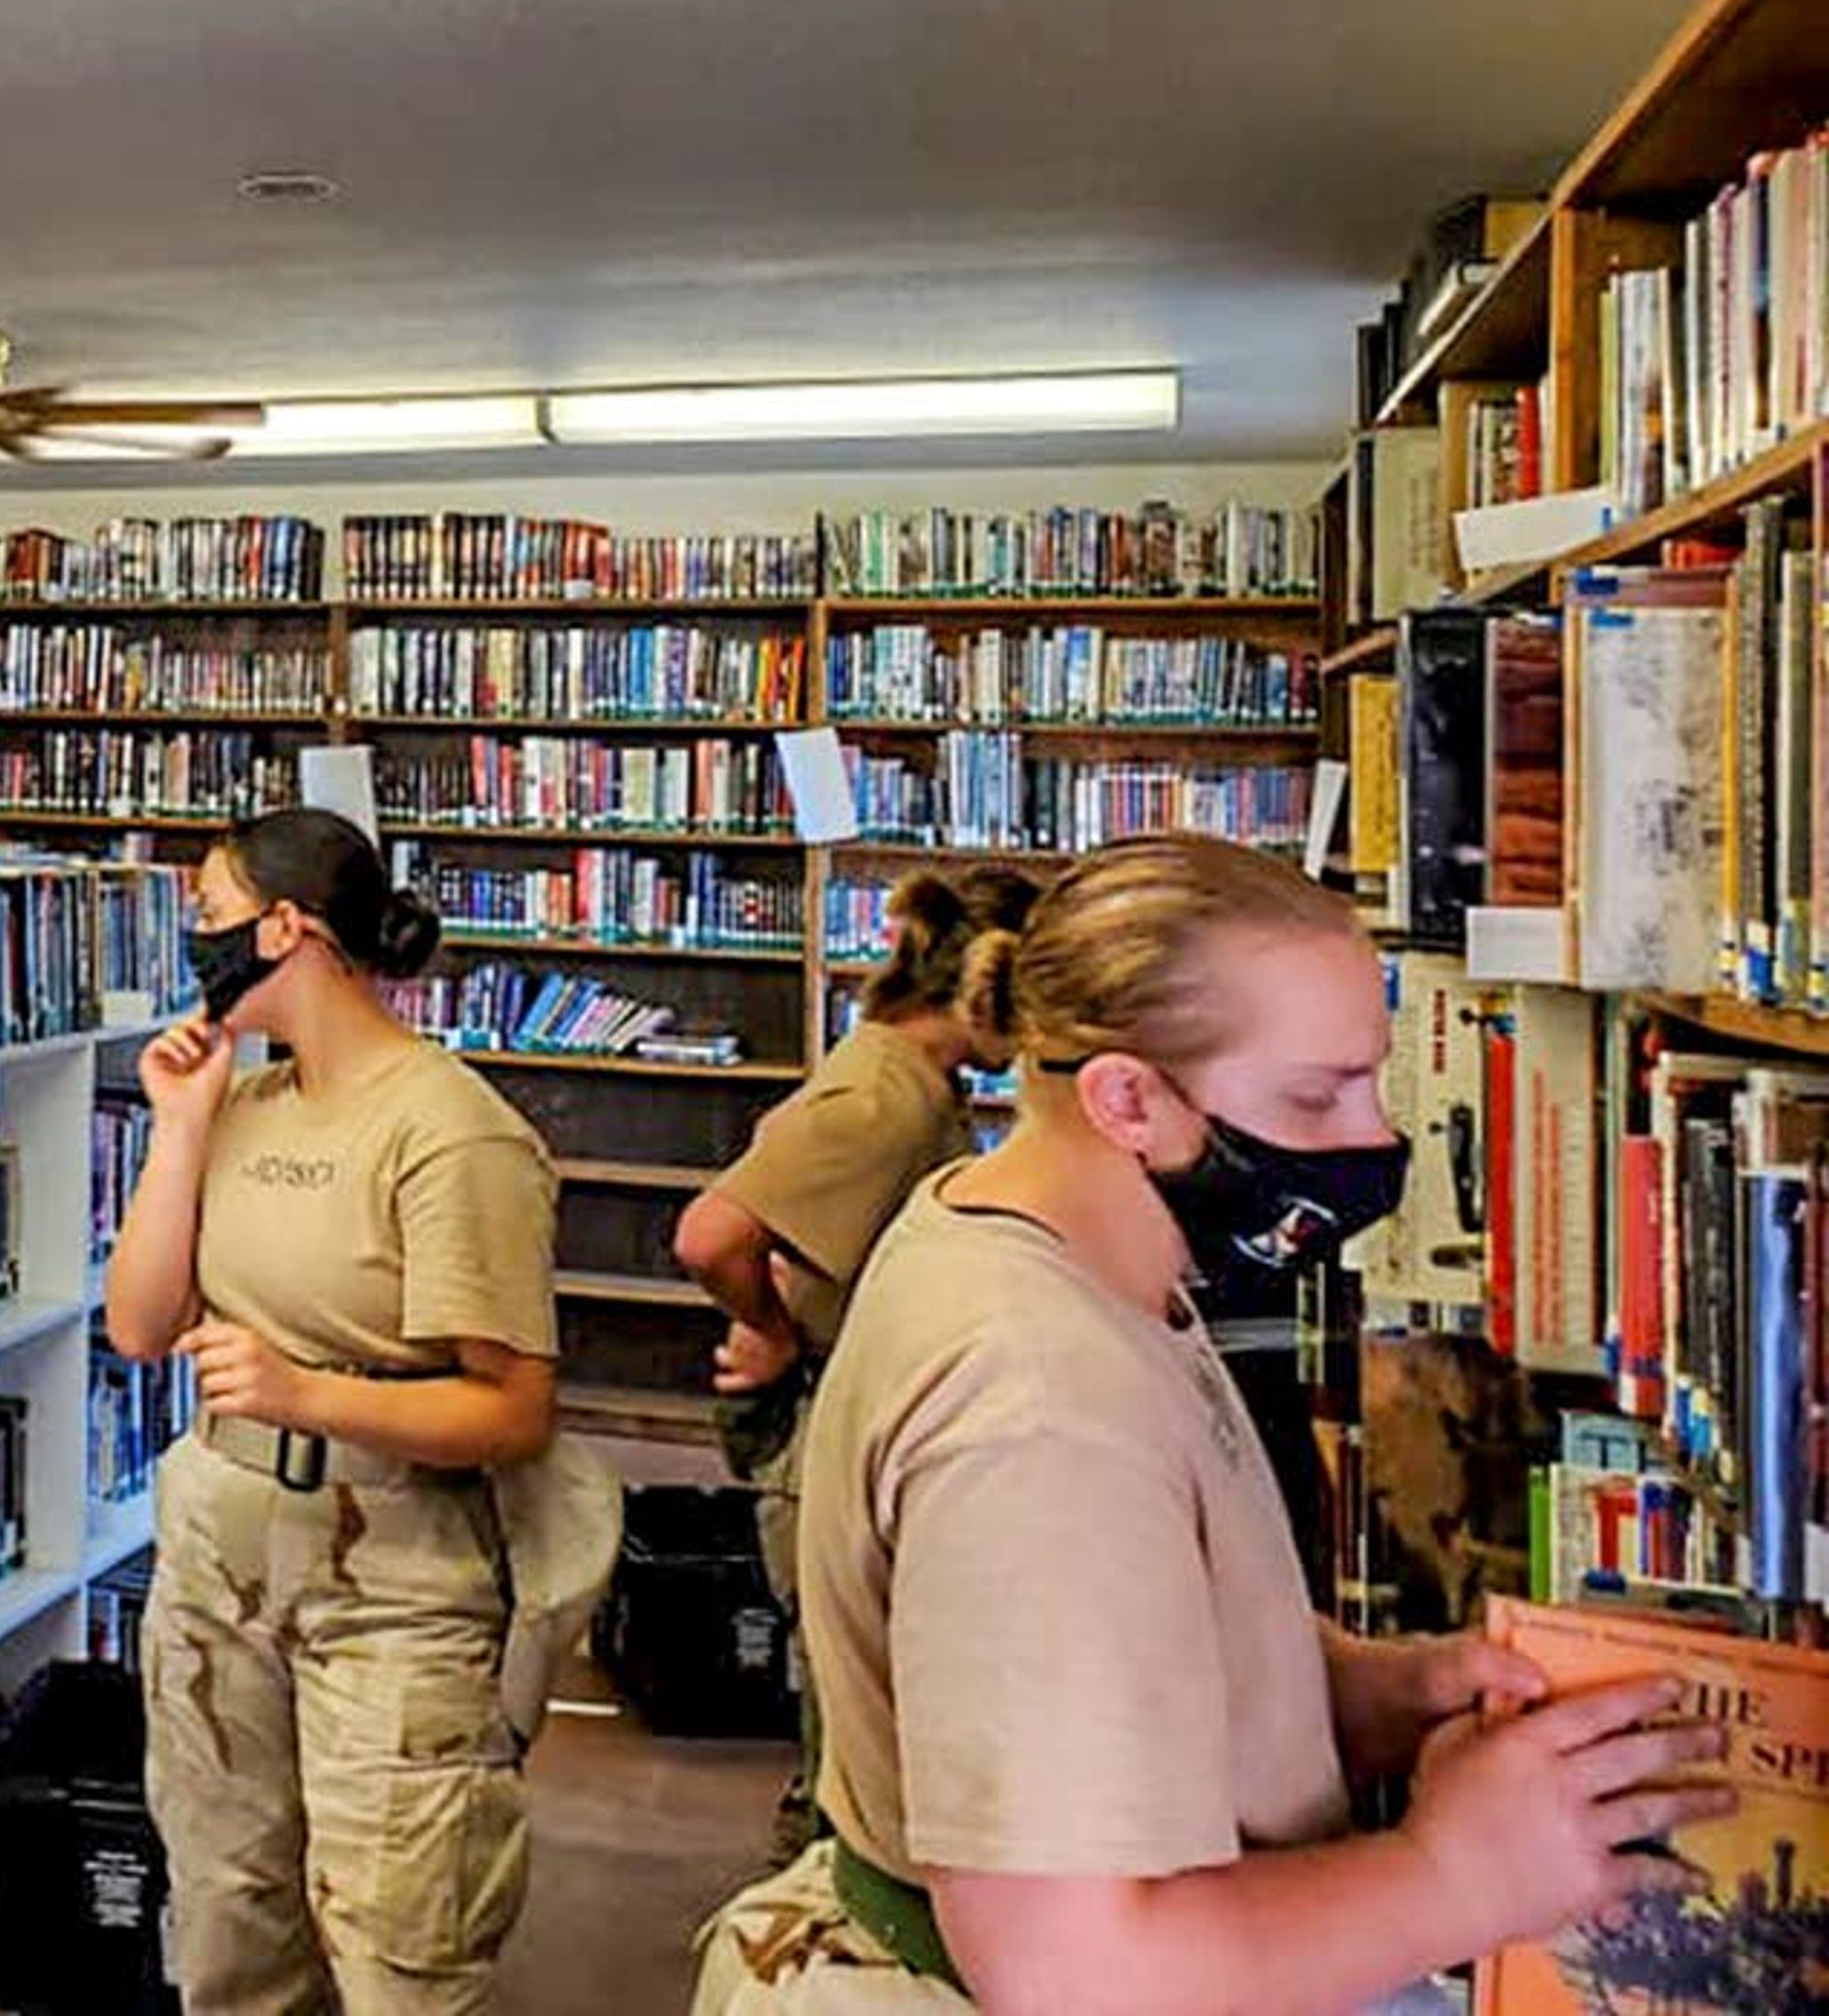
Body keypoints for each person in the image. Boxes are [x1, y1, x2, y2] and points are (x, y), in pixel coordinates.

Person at [691, 834, 1732, 2013]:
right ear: (1127, 1097)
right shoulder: (1038, 1403)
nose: (1373, 1136)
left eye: (1373, 1076)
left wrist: (1373, 1693)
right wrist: (1461, 1870)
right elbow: (1074, 1968)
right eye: (1313, 1093)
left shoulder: (1060, 1243)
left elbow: (1141, 1635)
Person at [105, 806, 575, 2014]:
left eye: (209, 916)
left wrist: (310, 1391)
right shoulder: (246, 1102)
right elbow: (140, 1325)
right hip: (220, 1560)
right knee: (227, 1920)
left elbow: (515, 1407)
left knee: (398, 1938)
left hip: (393, 1577)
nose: (195, 944)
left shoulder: (452, 1129)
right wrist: (180, 1129)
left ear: (286, 928)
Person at [676, 866, 1043, 1857]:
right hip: (827, 1411)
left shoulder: (911, 1076)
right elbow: (711, 1234)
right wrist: (769, 1326)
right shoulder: (881, 1100)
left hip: (861, 1399)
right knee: (845, 1715)